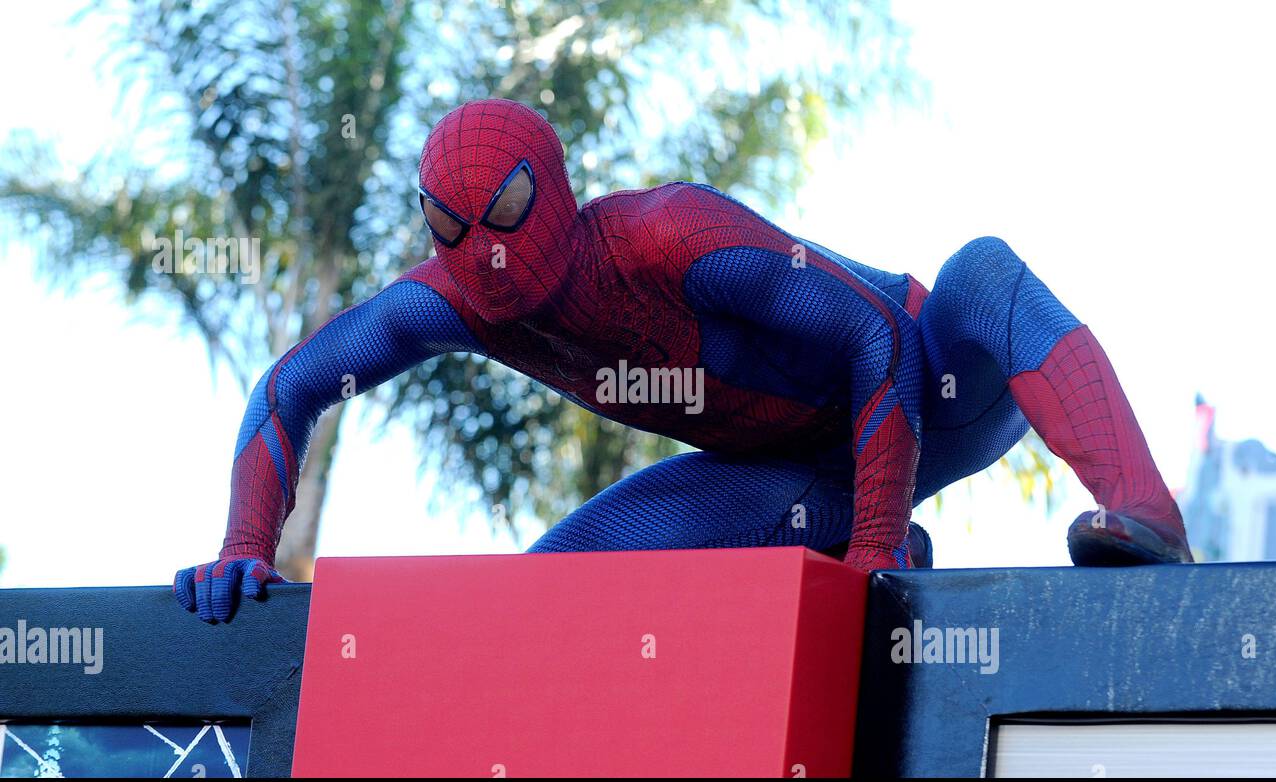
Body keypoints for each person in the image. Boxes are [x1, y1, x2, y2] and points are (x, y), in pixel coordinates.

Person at [175, 98, 1191, 623]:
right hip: (797, 480)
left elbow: (871, 338)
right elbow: (286, 389)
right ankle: (863, 545)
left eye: (509, 213)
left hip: (934, 384)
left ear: (560, 193)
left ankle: (1146, 515)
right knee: (544, 595)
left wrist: (874, 549)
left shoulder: (670, 234)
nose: (486, 250)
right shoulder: (444, 302)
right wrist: (243, 546)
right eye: (452, 227)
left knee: (984, 271)